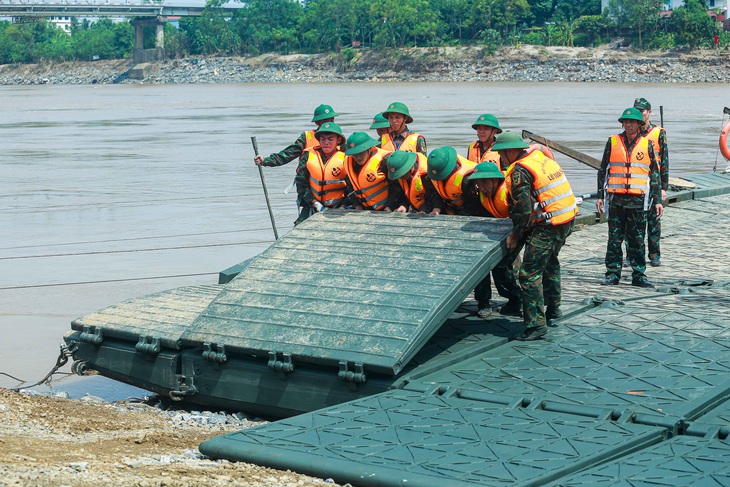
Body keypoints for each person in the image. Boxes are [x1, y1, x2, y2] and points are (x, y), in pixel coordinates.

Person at [493, 131, 577, 341]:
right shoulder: (540, 158)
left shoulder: (521, 171)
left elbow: (522, 209)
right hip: (566, 218)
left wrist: (515, 234)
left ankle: (536, 325)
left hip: (549, 225)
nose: (501, 159)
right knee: (549, 263)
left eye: (502, 154)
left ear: (511, 151)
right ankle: (553, 309)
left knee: (529, 274)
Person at [596, 107, 664, 288]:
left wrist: (657, 200)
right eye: (625, 122)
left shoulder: (647, 145)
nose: (628, 125)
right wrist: (600, 196)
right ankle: (612, 274)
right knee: (614, 239)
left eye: (632, 122)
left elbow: (654, 176)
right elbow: (602, 171)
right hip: (616, 200)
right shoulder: (612, 142)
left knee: (636, 240)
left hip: (638, 202)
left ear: (639, 124)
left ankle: (639, 275)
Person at [463, 162, 522, 319]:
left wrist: (515, 235)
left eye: (485, 183)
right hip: (491, 234)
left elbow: (522, 216)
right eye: (478, 183)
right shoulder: (479, 195)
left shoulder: (509, 192)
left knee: (505, 270)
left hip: (513, 233)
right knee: (480, 266)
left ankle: (516, 300)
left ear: (496, 181)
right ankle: (483, 303)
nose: (481, 187)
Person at [634, 97, 669, 267]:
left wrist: (664, 187)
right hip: (636, 183)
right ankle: (633, 254)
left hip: (654, 182)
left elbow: (665, 161)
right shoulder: (631, 132)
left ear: (649, 112)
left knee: (654, 220)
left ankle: (654, 254)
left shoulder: (659, 133)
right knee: (633, 222)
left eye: (642, 111)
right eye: (637, 110)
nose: (640, 114)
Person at [293, 122, 347, 225]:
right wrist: (314, 202)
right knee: (298, 227)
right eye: (323, 139)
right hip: (313, 205)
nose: (326, 143)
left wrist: (343, 205)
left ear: (338, 140)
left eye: (330, 139)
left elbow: (351, 186)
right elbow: (301, 184)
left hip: (339, 206)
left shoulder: (346, 157)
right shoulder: (308, 156)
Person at [254, 104, 338, 167]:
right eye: (325, 120)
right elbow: (287, 155)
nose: (329, 123)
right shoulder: (306, 137)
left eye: (331, 120)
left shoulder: (339, 138)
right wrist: (265, 160)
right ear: (317, 122)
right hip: (309, 184)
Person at [344, 132, 392, 210]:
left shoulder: (384, 161)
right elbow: (350, 186)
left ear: (369, 149)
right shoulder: (348, 163)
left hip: (385, 207)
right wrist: (357, 204)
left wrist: (389, 206)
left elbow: (396, 187)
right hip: (363, 208)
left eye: (361, 153)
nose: (358, 157)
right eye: (354, 154)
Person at [426, 146, 477, 215]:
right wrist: (437, 208)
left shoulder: (467, 178)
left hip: (466, 208)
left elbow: (472, 204)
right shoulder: (434, 171)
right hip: (448, 207)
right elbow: (436, 193)